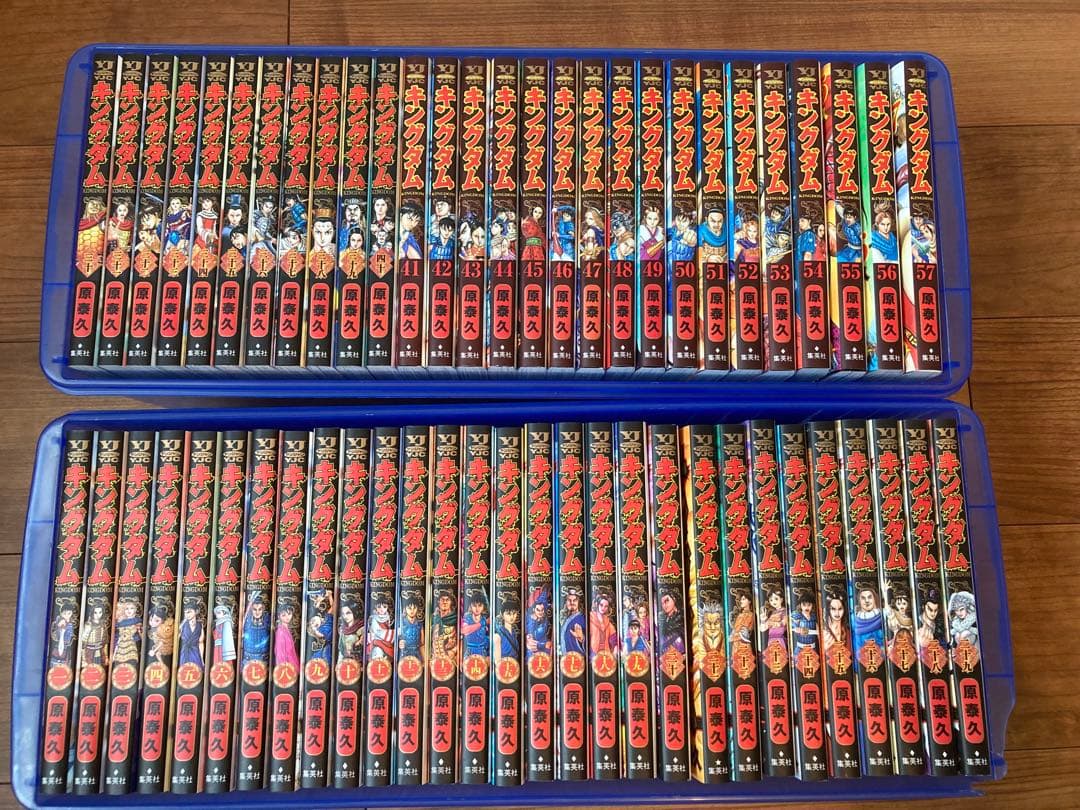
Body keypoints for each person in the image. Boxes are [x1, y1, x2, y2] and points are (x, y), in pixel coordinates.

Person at [852, 586, 885, 655]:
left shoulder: (882, 616)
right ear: (859, 601)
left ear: (874, 599)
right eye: (863, 598)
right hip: (863, 656)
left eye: (869, 597)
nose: (867, 601)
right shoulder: (856, 621)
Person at [241, 595, 270, 665]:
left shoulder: (267, 620)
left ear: (263, 610)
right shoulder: (247, 621)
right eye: (255, 609)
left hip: (263, 656)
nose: (257, 612)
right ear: (251, 610)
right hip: (248, 656)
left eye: (260, 609)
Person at [112, 598, 142, 664]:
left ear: (135, 609)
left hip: (133, 646)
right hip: (121, 647)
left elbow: (140, 636)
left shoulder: (138, 621)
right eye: (127, 609)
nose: (129, 610)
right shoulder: (120, 623)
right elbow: (116, 637)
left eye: (131, 608)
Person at [430, 589, 458, 660]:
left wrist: (454, 651)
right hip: (435, 656)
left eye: (447, 600)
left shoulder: (455, 618)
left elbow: (462, 639)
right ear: (438, 602)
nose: (445, 602)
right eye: (442, 600)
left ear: (451, 602)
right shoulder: (434, 618)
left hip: (450, 656)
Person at [948, 590, 979, 655]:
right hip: (961, 655)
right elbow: (953, 643)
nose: (959, 613)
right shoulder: (955, 623)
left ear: (967, 607)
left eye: (961, 609)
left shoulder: (974, 621)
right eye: (956, 610)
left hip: (975, 654)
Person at [525, 588, 551, 662]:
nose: (540, 612)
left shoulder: (545, 620)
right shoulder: (529, 621)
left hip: (544, 651)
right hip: (533, 652)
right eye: (538, 610)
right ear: (533, 609)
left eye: (542, 610)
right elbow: (530, 641)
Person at [789, 590, 819, 657]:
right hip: (800, 649)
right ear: (800, 605)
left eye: (809, 605)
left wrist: (808, 631)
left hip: (812, 649)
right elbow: (792, 627)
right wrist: (796, 628)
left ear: (812, 605)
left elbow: (819, 631)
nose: (806, 607)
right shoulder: (797, 615)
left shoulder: (814, 616)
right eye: (804, 605)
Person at [588, 591, 618, 656]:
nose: (603, 608)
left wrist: (615, 650)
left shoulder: (608, 623)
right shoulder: (589, 619)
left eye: (606, 606)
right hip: (592, 653)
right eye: (601, 605)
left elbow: (614, 640)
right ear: (597, 604)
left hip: (605, 653)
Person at [274, 599, 300, 670]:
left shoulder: (287, 629)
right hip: (287, 665)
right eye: (283, 615)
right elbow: (280, 653)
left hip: (292, 662)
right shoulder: (280, 631)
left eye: (289, 614)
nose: (287, 617)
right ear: (279, 616)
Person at [49, 601, 77, 668]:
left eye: (69, 613)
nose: (67, 616)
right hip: (58, 646)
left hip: (66, 647)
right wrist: (61, 629)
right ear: (61, 613)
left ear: (72, 613)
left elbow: (68, 639)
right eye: (64, 613)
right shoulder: (60, 622)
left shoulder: (70, 624)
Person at [759, 588, 787, 652]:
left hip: (779, 639)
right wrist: (763, 620)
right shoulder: (772, 613)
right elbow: (762, 629)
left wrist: (773, 623)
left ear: (781, 599)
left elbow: (784, 623)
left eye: (776, 599)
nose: (773, 602)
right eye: (771, 600)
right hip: (771, 639)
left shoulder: (784, 611)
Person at [461, 592, 489, 657]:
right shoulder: (467, 617)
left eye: (480, 606)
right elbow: (464, 630)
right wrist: (482, 623)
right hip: (469, 651)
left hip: (482, 651)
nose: (477, 609)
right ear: (471, 606)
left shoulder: (484, 618)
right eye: (474, 605)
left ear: (483, 606)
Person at [146, 602, 175, 668]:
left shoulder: (161, 630)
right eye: (151, 620)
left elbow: (161, 643)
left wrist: (154, 651)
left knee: (158, 653)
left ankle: (162, 665)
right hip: (158, 645)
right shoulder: (154, 629)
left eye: (156, 621)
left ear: (163, 621)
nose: (152, 623)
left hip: (165, 646)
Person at [177, 600, 203, 670]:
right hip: (184, 652)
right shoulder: (182, 625)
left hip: (195, 652)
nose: (187, 614)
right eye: (185, 612)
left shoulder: (200, 625)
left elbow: (201, 642)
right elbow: (177, 640)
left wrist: (202, 658)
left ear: (196, 611)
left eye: (189, 612)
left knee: (197, 670)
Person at [658, 589, 686, 655]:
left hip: (678, 652)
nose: (664, 605)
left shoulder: (681, 617)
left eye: (667, 601)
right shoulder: (662, 619)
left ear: (674, 599)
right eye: (662, 603)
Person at [561, 587, 586, 655]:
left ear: (578, 602)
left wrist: (582, 638)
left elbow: (592, 642)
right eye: (569, 600)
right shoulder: (566, 619)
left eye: (574, 600)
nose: (572, 602)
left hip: (577, 658)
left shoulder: (582, 619)